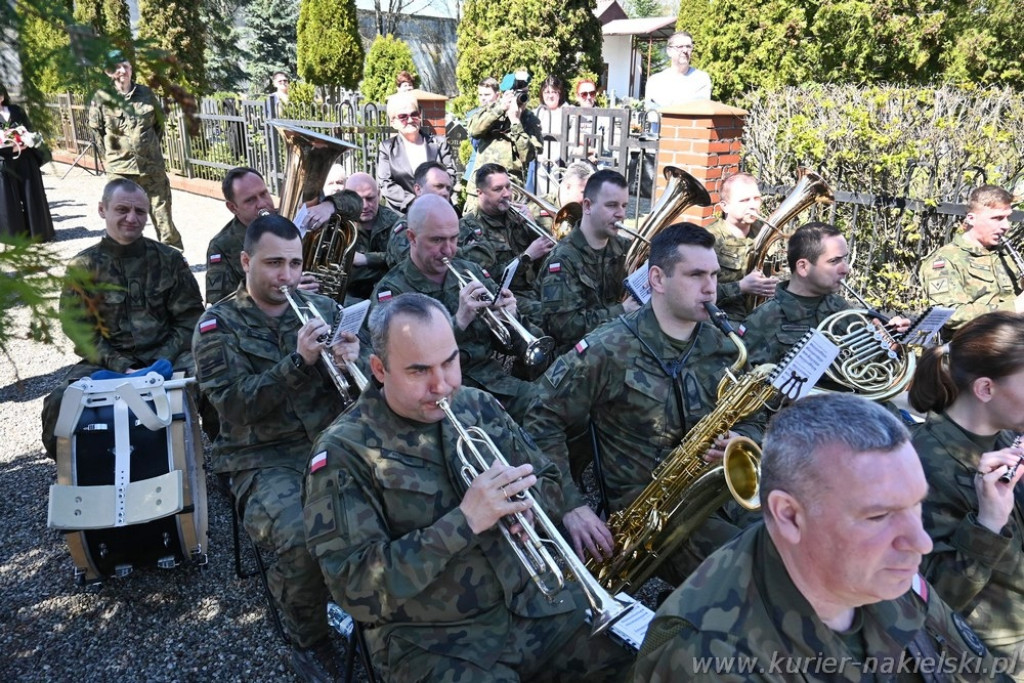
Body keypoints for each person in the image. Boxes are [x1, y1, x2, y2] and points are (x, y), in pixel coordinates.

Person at [303, 292, 633, 682]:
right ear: (379, 369)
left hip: (534, 604)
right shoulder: (343, 452)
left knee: (645, 664)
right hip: (437, 641)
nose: (442, 385)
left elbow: (546, 477)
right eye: (418, 371)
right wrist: (464, 521)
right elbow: (356, 587)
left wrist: (529, 502)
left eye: (450, 361)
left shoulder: (477, 404)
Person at [633, 394, 1011, 682]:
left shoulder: (882, 568)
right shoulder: (711, 657)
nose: (920, 542)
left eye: (915, 505)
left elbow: (976, 668)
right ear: (790, 516)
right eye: (878, 515)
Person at [525, 222, 766, 583]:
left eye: (715, 275)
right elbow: (539, 419)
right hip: (654, 518)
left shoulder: (725, 345)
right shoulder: (608, 348)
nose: (711, 288)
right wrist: (569, 505)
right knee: (754, 570)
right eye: (696, 275)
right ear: (657, 279)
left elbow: (754, 416)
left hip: (719, 495)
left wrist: (743, 441)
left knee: (795, 540)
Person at [192, 213, 362, 682]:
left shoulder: (322, 308)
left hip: (332, 441)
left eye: (293, 263)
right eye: (273, 264)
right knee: (303, 539)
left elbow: (356, 391)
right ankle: (307, 639)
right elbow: (234, 406)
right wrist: (297, 363)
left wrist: (353, 360)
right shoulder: (215, 327)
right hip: (260, 458)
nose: (285, 276)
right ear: (246, 261)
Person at [40, 179, 203, 459]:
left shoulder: (169, 260)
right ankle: (78, 470)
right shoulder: (83, 267)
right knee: (59, 401)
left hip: (168, 357)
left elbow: (190, 320)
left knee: (212, 380)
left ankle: (229, 460)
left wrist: (158, 363)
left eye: (140, 211)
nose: (132, 218)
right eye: (122, 209)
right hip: (106, 361)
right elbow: (79, 330)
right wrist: (123, 366)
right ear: (103, 210)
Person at [908, 311, 1024, 676]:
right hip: (993, 652)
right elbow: (930, 599)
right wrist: (987, 524)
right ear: (986, 389)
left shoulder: (1004, 435)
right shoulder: (922, 465)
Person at [371, 194, 538, 423]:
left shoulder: (472, 272)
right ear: (412, 238)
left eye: (454, 238)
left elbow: (511, 346)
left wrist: (510, 317)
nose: (448, 250)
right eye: (437, 240)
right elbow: (403, 362)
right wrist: (458, 321)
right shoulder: (393, 291)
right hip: (439, 396)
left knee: (556, 408)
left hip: (494, 382)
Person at [743, 222, 909, 367]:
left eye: (844, 259)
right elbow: (750, 391)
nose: (846, 269)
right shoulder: (763, 319)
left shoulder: (841, 308)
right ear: (803, 267)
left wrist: (889, 342)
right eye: (834, 261)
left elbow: (872, 367)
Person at [205, 167, 342, 306]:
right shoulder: (222, 245)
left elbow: (355, 201)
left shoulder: (289, 216)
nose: (262, 204)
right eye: (250, 200)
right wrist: (280, 291)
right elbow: (220, 303)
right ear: (233, 207)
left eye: (264, 194)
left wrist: (330, 205)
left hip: (319, 303)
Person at [536, 169, 639, 355]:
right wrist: (622, 310)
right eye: (612, 205)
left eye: (624, 206)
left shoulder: (625, 248)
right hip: (578, 359)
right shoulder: (561, 261)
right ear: (587, 206)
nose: (621, 214)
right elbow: (564, 330)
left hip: (617, 344)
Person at [88, 50, 183, 250]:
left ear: (131, 69)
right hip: (120, 170)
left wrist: (147, 149)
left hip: (151, 166)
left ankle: (173, 255)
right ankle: (121, 255)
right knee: (120, 215)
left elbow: (158, 126)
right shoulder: (101, 98)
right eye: (117, 68)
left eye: (126, 66)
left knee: (162, 213)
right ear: (109, 72)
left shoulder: (147, 94)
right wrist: (113, 158)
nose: (123, 71)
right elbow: (97, 132)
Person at [918, 185, 1021, 334]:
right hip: (973, 352)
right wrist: (1014, 308)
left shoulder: (1004, 256)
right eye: (997, 218)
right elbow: (951, 315)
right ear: (971, 219)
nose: (1006, 226)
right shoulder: (945, 261)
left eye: (1007, 218)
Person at [460, 163, 554, 304]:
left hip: (536, 289)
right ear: (480, 193)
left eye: (508, 187)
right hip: (506, 298)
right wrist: (526, 257)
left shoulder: (516, 215)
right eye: (498, 189)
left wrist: (533, 225)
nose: (507, 194)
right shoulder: (469, 227)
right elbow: (485, 279)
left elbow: (552, 256)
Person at [706, 173, 779, 321]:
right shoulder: (707, 239)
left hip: (759, 318)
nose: (753, 205)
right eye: (744, 200)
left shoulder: (766, 232)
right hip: (718, 321)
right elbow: (694, 293)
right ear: (725, 207)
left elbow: (776, 273)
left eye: (756, 198)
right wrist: (740, 287)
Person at [464, 73, 543, 204]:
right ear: (505, 94)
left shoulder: (530, 120)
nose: (521, 99)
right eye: (516, 94)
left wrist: (516, 122)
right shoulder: (490, 111)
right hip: (480, 190)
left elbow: (528, 156)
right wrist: (501, 108)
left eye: (524, 94)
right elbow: (474, 130)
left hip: (510, 191)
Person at [376, 92, 456, 214]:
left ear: (420, 115)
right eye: (403, 116)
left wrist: (434, 196)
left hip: (439, 211)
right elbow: (385, 183)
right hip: (402, 215)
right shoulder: (387, 148)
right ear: (393, 122)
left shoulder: (439, 143)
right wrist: (415, 201)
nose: (410, 120)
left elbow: (450, 173)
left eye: (414, 114)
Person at [385, 160, 457, 268]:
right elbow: (423, 265)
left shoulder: (452, 223)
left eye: (448, 188)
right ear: (418, 189)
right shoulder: (404, 228)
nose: (445, 193)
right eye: (438, 186)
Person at [341, 172, 401, 301]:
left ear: (379, 195)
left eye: (370, 198)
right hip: (348, 297)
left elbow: (403, 258)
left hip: (388, 294)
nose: (365, 206)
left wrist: (366, 259)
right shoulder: (338, 225)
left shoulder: (394, 222)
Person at [461, 77, 500, 210]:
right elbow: (476, 142)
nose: (483, 98)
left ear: (497, 95)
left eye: (487, 94)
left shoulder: (505, 116)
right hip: (478, 171)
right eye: (480, 94)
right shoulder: (474, 115)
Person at [644, 31, 712, 107]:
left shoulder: (701, 79)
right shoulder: (655, 82)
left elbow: (700, 110)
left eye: (688, 47)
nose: (685, 50)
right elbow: (652, 114)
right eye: (680, 47)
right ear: (669, 51)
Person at [531, 75, 568, 197]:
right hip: (538, 166)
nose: (550, 95)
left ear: (560, 93)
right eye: (546, 92)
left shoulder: (568, 111)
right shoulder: (537, 112)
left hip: (560, 166)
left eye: (554, 91)